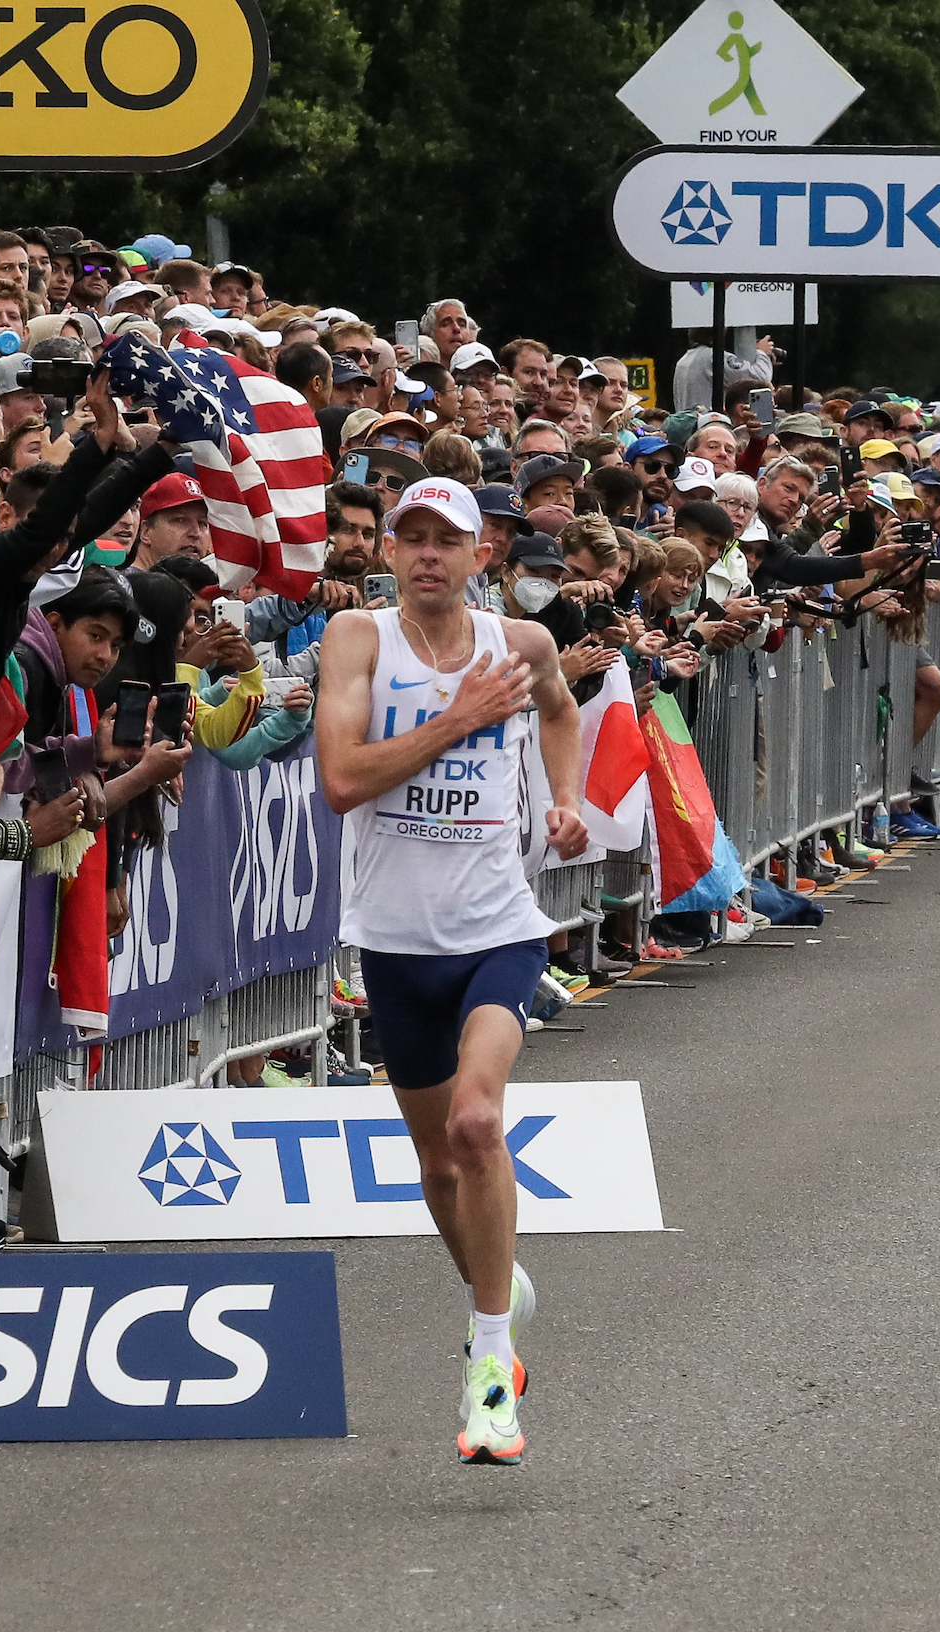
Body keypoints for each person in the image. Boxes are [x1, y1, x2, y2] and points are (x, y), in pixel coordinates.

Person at [312, 477, 589, 1466]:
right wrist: (458, 719)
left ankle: (490, 1370)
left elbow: (562, 712)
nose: (429, 554)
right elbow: (342, 781)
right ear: (388, 552)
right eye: (412, 538)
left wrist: (566, 798)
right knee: (436, 1163)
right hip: (394, 943)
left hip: (496, 929)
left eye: (449, 540)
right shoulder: (357, 642)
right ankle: (492, 1276)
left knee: (478, 1121)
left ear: (485, 555)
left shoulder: (521, 646)